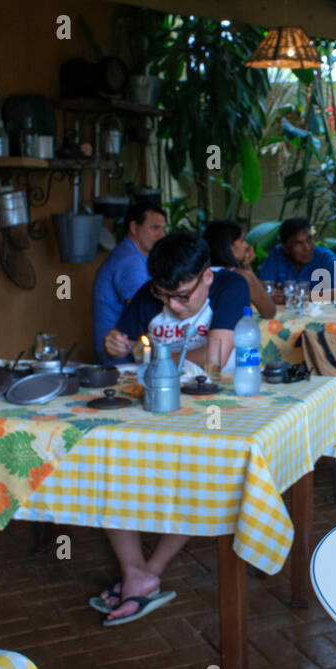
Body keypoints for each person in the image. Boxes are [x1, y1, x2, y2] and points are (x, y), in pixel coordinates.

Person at [95, 231, 251, 624]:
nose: (174, 306)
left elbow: (216, 358)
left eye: (183, 296)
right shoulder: (153, 293)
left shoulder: (230, 284)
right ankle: (136, 573)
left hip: (218, 407)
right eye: (165, 297)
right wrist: (114, 345)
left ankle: (152, 568)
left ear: (207, 277)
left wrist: (153, 355)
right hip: (157, 405)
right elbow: (120, 346)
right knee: (107, 458)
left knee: (194, 473)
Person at [92, 201, 166, 363]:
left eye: (162, 229)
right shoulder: (131, 262)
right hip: (119, 354)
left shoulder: (128, 253)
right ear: (134, 228)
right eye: (154, 228)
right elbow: (144, 313)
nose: (161, 235)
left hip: (118, 350)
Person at [255, 217, 336, 303]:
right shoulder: (277, 255)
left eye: (309, 240)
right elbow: (261, 287)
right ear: (285, 247)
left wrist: (297, 296)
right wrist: (273, 293)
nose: (307, 248)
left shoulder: (326, 257)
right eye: (299, 243)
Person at [204, 219, 277, 318]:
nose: (246, 245)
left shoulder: (198, 273)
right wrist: (247, 268)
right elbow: (269, 311)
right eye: (242, 240)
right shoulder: (240, 277)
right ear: (228, 246)